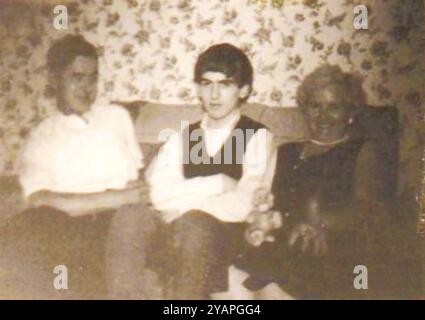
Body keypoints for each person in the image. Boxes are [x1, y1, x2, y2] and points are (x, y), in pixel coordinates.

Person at [0, 35, 145, 299]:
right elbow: (40, 199)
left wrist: (125, 198)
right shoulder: (42, 135)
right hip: (67, 225)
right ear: (55, 80)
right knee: (24, 228)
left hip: (115, 222)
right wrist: (116, 196)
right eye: (77, 77)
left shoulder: (116, 117)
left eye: (93, 78)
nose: (87, 88)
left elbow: (136, 181)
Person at [243, 65, 398, 299]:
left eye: (334, 107)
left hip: (328, 244)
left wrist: (321, 224)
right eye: (315, 106)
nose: (323, 116)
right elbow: (264, 202)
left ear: (350, 113)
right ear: (305, 110)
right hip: (280, 241)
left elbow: (368, 207)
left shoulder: (361, 150)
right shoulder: (285, 151)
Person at [142, 43, 277, 299]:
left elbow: (245, 205)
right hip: (178, 233)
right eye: (206, 84)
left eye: (225, 84)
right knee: (139, 220)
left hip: (229, 237)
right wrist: (217, 184)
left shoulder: (257, 136)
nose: (214, 95)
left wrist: (183, 209)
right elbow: (157, 194)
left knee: (193, 225)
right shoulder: (185, 136)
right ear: (198, 89)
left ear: (243, 90)